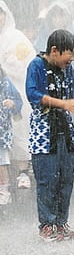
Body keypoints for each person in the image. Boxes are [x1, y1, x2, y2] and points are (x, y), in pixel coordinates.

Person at [25, 29, 74, 241]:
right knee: (47, 180)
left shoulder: (67, 67)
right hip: (44, 132)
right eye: (69, 54)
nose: (72, 58)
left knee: (66, 179)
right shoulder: (36, 65)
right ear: (54, 51)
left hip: (65, 130)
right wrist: (63, 103)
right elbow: (33, 94)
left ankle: (61, 222)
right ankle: (46, 224)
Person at [0, 0, 35, 190]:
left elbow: (27, 63)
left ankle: (23, 171)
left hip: (16, 91)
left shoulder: (16, 38)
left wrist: (8, 65)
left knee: (18, 127)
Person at [0, 64, 23, 205]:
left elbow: (18, 102)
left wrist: (13, 104)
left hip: (2, 131)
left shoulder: (6, 84)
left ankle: (4, 190)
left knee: (1, 162)